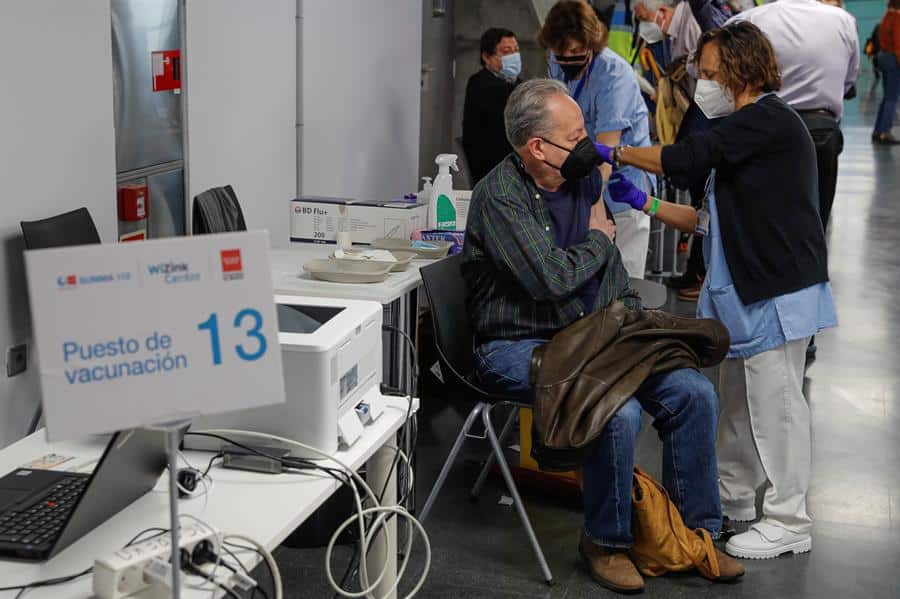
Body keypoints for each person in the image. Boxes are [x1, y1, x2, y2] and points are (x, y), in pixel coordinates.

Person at [462, 77, 743, 593]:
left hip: (591, 338)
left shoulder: (583, 180)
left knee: (695, 393)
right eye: (576, 135)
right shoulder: (499, 196)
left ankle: (693, 535)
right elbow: (551, 278)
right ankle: (605, 542)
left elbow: (608, 272)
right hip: (517, 345)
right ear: (537, 148)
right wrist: (598, 237)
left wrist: (630, 320)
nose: (588, 143)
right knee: (615, 408)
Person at [597, 21, 838, 559]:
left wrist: (616, 153)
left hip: (776, 289)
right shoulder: (748, 132)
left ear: (740, 70)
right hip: (744, 292)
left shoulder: (767, 121)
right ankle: (734, 500)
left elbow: (686, 159)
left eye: (709, 74)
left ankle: (788, 519)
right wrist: (644, 204)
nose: (704, 85)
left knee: (776, 406)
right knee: (737, 403)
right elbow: (710, 218)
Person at [540, 0, 654, 280]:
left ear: (591, 44)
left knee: (624, 279)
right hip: (581, 181)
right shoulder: (556, 64)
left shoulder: (615, 76)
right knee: (584, 277)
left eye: (576, 53)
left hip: (621, 184)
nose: (566, 60)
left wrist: (596, 209)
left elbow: (608, 153)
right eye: (560, 54)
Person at [729, 0, 860, 231]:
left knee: (765, 222)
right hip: (821, 130)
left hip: (766, 128)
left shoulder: (750, 20)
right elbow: (849, 80)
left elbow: (708, 66)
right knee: (816, 224)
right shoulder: (843, 21)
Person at [461, 28, 523, 186]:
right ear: (487, 57)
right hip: (489, 165)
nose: (514, 56)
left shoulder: (517, 82)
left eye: (516, 50)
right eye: (507, 51)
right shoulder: (479, 83)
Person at [872, 0, 900, 144]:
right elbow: (898, 44)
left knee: (886, 97)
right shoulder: (897, 19)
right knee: (892, 98)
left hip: (883, 57)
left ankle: (878, 130)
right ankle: (885, 132)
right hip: (893, 59)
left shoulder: (886, 17)